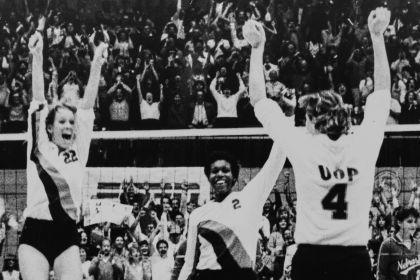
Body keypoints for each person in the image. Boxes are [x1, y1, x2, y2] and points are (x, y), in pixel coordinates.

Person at [244, 6, 391, 280]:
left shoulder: (303, 145)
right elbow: (382, 94)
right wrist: (377, 36)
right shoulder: (364, 142)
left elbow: (259, 102)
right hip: (353, 259)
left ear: (313, 120)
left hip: (312, 258)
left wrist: (257, 47)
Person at [18, 16, 108, 280]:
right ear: (50, 127)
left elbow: (88, 105)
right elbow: (38, 99)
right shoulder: (39, 147)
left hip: (66, 235)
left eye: (72, 122)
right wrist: (37, 55)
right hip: (35, 233)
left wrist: (97, 63)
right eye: (63, 122)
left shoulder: (79, 150)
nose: (69, 125)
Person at [178, 118, 294, 279]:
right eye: (214, 171)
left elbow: (275, 161)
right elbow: (189, 264)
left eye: (225, 170)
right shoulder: (198, 214)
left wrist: (287, 117)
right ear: (208, 177)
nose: (219, 174)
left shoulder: (250, 198)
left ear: (234, 177)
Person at [377, 208, 420, 280]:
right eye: (409, 221)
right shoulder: (387, 245)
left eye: (415, 222)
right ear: (399, 222)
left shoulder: (418, 243)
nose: (413, 225)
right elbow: (381, 275)